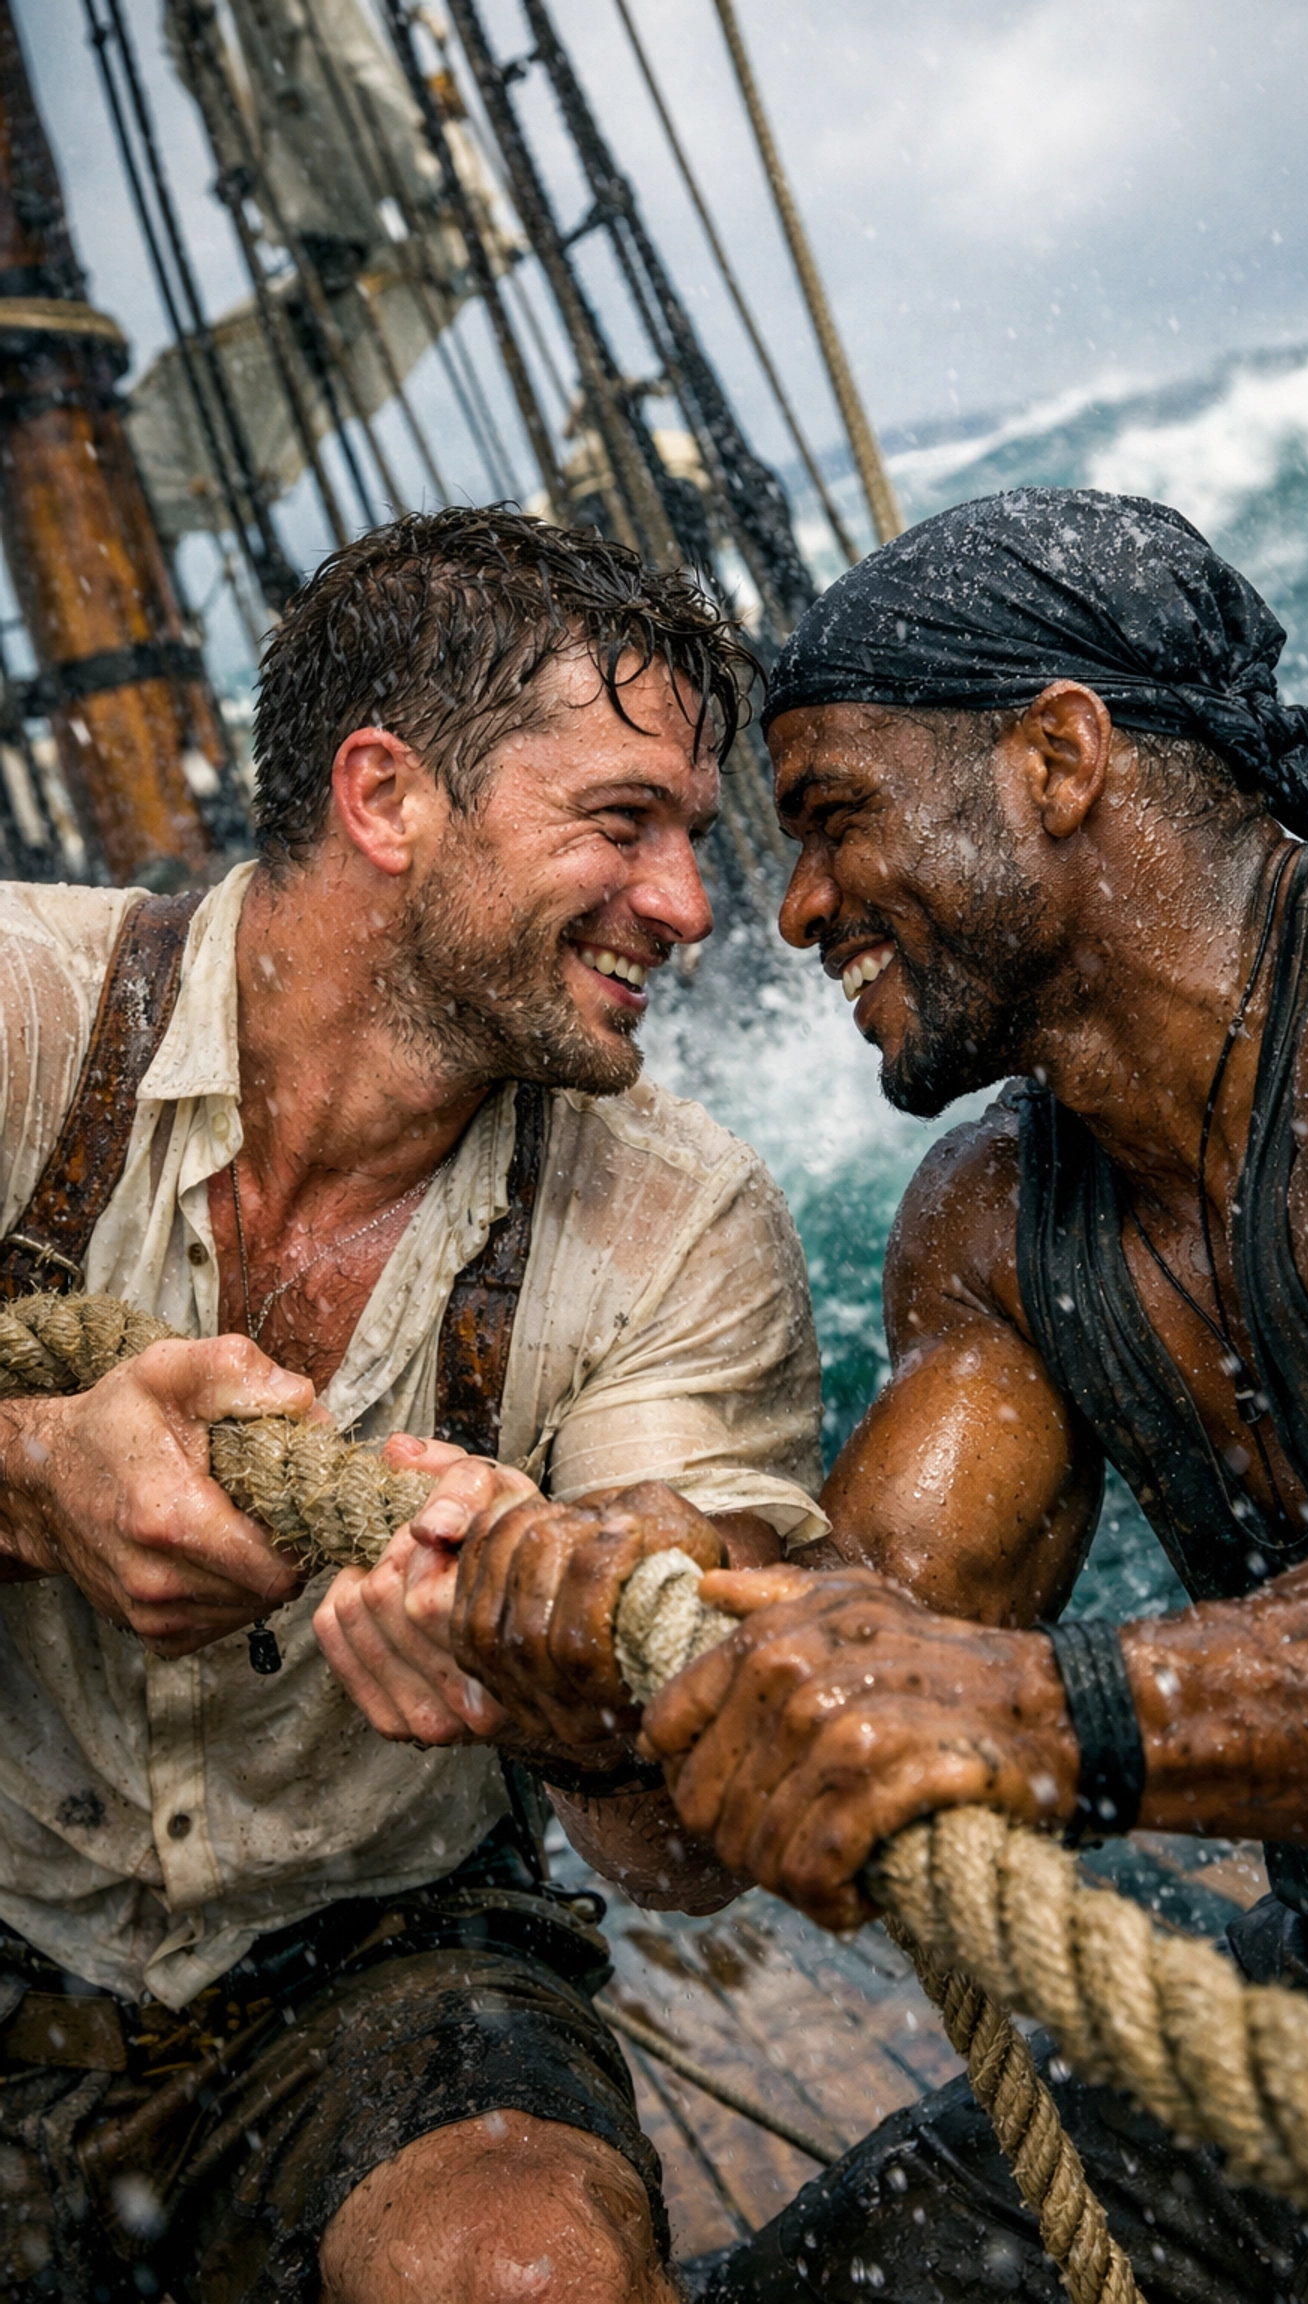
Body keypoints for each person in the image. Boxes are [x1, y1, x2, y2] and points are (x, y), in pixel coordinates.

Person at [455, 489, 1308, 2302]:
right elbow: (815, 1716)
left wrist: (1061, 1716)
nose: (793, 910)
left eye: (834, 820)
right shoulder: (989, 1222)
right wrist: (602, 1678)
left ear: (1056, 758)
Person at [0, 507, 827, 2304]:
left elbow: (684, 1853)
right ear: (386, 798)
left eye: (694, 835)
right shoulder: (19, 1015)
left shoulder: (690, 1227)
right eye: (623, 823)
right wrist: (32, 1472)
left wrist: (568, 1681)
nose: (693, 906)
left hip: (381, 1965)